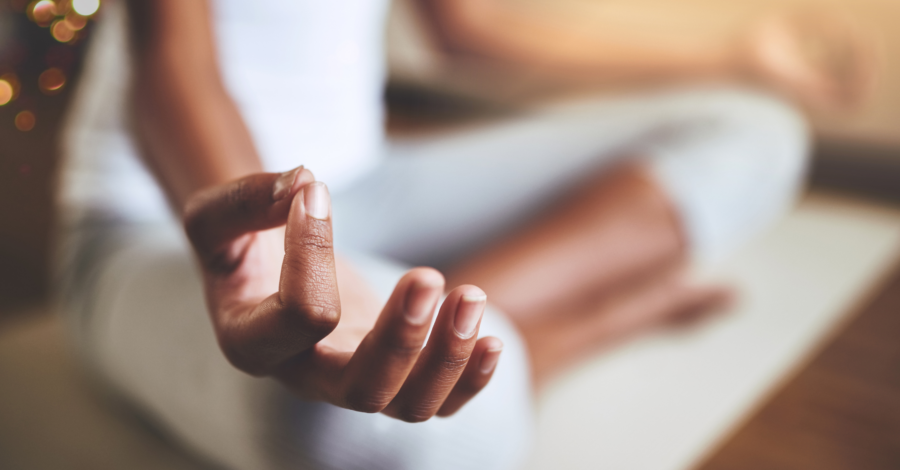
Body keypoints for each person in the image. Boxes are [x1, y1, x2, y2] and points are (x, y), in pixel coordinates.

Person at [56, 0, 869, 469]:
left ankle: (448, 328)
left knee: (753, 132)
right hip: (158, 223)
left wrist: (734, 51)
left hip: (370, 186)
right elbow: (174, 62)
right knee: (363, 432)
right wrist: (267, 259)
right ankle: (568, 327)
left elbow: (469, 29)